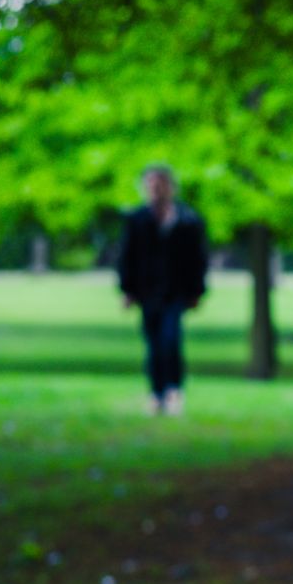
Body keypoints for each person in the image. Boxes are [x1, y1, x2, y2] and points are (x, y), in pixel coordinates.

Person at [118, 164, 208, 416]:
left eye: (160, 184)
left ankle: (173, 390)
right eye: (151, 184)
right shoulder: (137, 220)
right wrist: (127, 290)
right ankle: (156, 393)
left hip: (175, 292)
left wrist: (196, 291)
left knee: (171, 340)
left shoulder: (187, 219)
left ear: (170, 187)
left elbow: (198, 259)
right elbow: (128, 257)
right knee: (153, 344)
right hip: (147, 292)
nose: (156, 189)